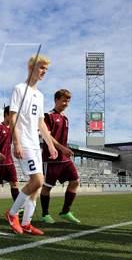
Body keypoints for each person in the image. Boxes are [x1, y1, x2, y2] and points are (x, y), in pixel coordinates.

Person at [5, 54, 58, 236]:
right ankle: (12, 214)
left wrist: (50, 145)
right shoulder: (19, 89)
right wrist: (16, 142)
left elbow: (41, 123)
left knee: (36, 186)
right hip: (24, 142)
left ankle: (27, 223)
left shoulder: (40, 95)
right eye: (41, 67)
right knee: (37, 181)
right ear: (31, 68)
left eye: (46, 69)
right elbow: (12, 117)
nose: (44, 71)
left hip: (36, 144)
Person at [40, 89, 80, 224]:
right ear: (56, 100)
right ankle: (45, 214)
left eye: (68, 101)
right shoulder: (48, 116)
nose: (66, 103)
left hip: (64, 158)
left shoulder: (65, 118)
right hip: (51, 159)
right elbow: (47, 136)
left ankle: (65, 211)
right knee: (47, 187)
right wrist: (62, 148)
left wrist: (65, 149)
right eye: (63, 100)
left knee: (75, 181)